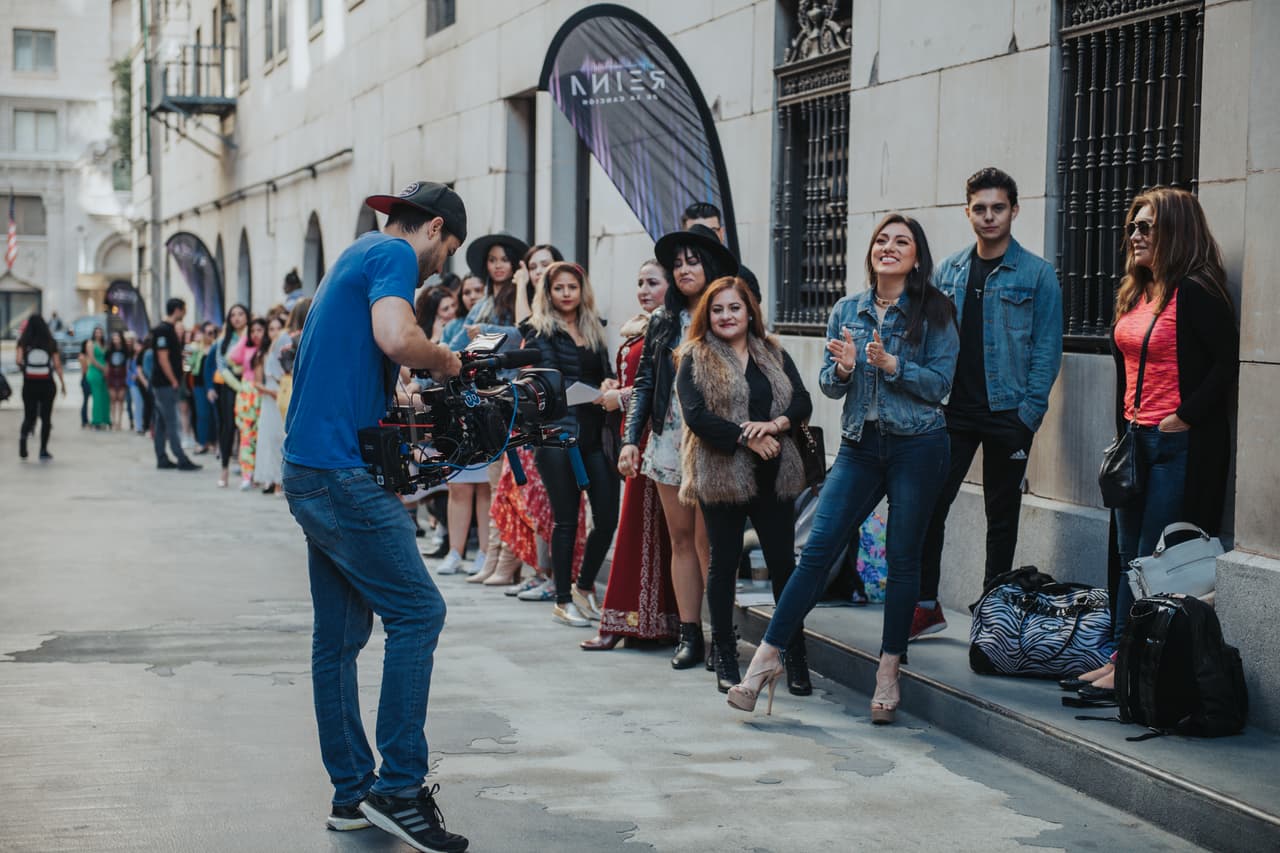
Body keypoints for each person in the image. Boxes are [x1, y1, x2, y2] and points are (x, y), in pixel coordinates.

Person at [282, 180, 467, 852]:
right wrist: (440, 357)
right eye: (445, 253)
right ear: (436, 230)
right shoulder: (392, 255)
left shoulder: (356, 253)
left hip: (311, 467)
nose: (439, 267)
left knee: (338, 639)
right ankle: (398, 788)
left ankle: (352, 793)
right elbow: (397, 335)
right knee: (420, 612)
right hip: (338, 476)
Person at [729, 214, 958, 723]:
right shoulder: (846, 309)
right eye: (882, 240)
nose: (889, 247)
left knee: (902, 560)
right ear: (870, 252)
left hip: (918, 446)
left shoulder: (937, 311)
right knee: (816, 550)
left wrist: (894, 366)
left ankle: (888, 670)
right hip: (860, 446)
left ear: (916, 256)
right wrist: (849, 367)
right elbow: (830, 386)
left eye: (902, 242)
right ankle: (767, 658)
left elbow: (942, 384)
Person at [1069, 187, 1239, 697]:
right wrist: (1126, 428)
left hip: (1174, 445)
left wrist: (1182, 419)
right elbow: (1125, 369)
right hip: (1134, 443)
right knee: (1125, 557)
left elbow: (1225, 363)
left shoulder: (1197, 291)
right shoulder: (1137, 293)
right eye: (1133, 227)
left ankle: (1133, 664)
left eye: (1147, 227)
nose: (1136, 235)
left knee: (1150, 559)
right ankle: (1118, 655)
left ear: (1176, 231)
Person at [917, 168, 1064, 639]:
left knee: (1001, 519)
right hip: (953, 411)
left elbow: (1047, 349)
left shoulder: (1038, 275)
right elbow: (932, 341)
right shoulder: (950, 271)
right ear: (967, 212)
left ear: (1014, 211)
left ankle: (992, 616)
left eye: (997, 208)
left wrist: (1028, 417)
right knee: (931, 505)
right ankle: (925, 603)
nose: (988, 216)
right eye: (979, 208)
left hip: (1008, 414)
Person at [676, 277, 813, 693]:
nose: (726, 316)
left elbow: (802, 401)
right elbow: (695, 416)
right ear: (707, 315)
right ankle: (724, 654)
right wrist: (747, 436)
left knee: (784, 567)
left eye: (734, 308)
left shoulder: (772, 351)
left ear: (749, 310)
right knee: (723, 564)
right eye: (717, 309)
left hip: (774, 472)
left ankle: (794, 655)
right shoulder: (694, 356)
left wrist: (775, 425)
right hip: (721, 474)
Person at [619, 224, 737, 668]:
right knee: (681, 539)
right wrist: (632, 439)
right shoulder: (664, 321)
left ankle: (719, 632)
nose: (685, 269)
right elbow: (646, 382)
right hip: (669, 440)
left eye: (694, 261)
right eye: (679, 263)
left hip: (716, 442)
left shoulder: (727, 310)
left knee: (713, 543)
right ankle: (690, 636)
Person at [582, 259, 678, 649]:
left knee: (652, 531)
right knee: (643, 528)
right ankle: (641, 622)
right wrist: (617, 388)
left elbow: (662, 388)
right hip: (635, 438)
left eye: (652, 282)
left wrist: (618, 398)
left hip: (659, 439)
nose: (643, 289)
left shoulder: (672, 329)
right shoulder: (644, 325)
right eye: (639, 282)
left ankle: (632, 622)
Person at [524, 261, 620, 627]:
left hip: (596, 433)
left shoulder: (594, 328)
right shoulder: (539, 331)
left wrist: (609, 384)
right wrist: (587, 394)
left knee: (607, 517)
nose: (566, 294)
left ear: (582, 291)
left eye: (572, 287)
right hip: (557, 436)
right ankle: (562, 599)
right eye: (558, 288)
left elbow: (603, 371)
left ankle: (583, 586)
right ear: (547, 293)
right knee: (566, 521)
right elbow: (546, 383)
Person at [481, 243, 569, 592]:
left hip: (554, 414)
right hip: (523, 409)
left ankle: (541, 573)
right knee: (520, 493)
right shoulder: (535, 312)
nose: (539, 272)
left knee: (545, 498)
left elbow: (522, 328)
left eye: (546, 265)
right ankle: (522, 566)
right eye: (534, 266)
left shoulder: (554, 315)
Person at [149, 298, 203, 472]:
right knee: (172, 421)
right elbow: (163, 357)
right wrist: (173, 380)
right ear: (178, 310)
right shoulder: (163, 330)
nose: (185, 313)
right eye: (184, 309)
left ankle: (162, 457)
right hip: (165, 384)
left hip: (164, 383)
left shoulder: (168, 329)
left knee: (161, 422)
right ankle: (181, 458)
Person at [681, 201, 760, 301]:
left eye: (712, 231)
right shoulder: (678, 278)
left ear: (722, 233)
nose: (706, 237)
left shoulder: (741, 277)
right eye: (696, 232)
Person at [16, 314, 67, 460]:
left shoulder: (23, 342)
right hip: (47, 384)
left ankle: (23, 440)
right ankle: (43, 450)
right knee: (46, 418)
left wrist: (26, 370)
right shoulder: (50, 342)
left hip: (29, 385)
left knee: (29, 416)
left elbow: (18, 360)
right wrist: (63, 384)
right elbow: (57, 366)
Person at [213, 304, 250, 487]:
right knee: (228, 427)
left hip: (251, 385)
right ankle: (224, 469)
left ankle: (249, 472)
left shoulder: (252, 337)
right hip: (229, 386)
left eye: (240, 314)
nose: (237, 318)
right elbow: (221, 366)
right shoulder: (224, 341)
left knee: (249, 428)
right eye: (233, 315)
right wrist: (237, 386)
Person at [230, 317, 267, 490]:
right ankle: (247, 474)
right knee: (246, 436)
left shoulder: (268, 348)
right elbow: (232, 357)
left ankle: (262, 474)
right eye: (253, 331)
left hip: (264, 394)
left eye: (259, 330)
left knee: (262, 435)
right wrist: (245, 337)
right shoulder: (247, 347)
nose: (256, 334)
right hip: (247, 395)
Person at [253, 315, 287, 494]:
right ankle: (273, 480)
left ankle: (283, 481)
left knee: (283, 438)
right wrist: (272, 392)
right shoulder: (263, 354)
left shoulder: (288, 351)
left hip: (284, 397)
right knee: (271, 439)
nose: (275, 333)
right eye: (271, 329)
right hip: (270, 399)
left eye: (278, 328)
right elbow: (257, 382)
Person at [191, 322, 219, 454]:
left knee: (214, 415)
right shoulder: (195, 348)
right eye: (208, 332)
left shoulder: (217, 347)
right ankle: (202, 442)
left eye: (213, 332)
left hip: (215, 385)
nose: (210, 335)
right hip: (198, 385)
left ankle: (213, 442)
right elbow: (186, 366)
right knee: (202, 414)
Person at [83, 326, 110, 429]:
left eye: (100, 332)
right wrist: (103, 368)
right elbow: (92, 359)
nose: (98, 334)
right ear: (94, 333)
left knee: (105, 396)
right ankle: (96, 420)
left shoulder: (104, 344)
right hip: (95, 371)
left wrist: (106, 369)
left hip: (105, 372)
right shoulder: (90, 344)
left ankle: (105, 419)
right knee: (97, 397)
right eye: (97, 332)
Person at [105, 330, 130, 429]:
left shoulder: (125, 350)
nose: (116, 340)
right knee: (113, 399)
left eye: (117, 338)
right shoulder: (109, 351)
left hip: (122, 375)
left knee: (120, 399)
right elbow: (107, 364)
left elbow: (128, 363)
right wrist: (106, 376)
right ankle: (113, 420)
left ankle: (119, 422)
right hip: (112, 375)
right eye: (114, 338)